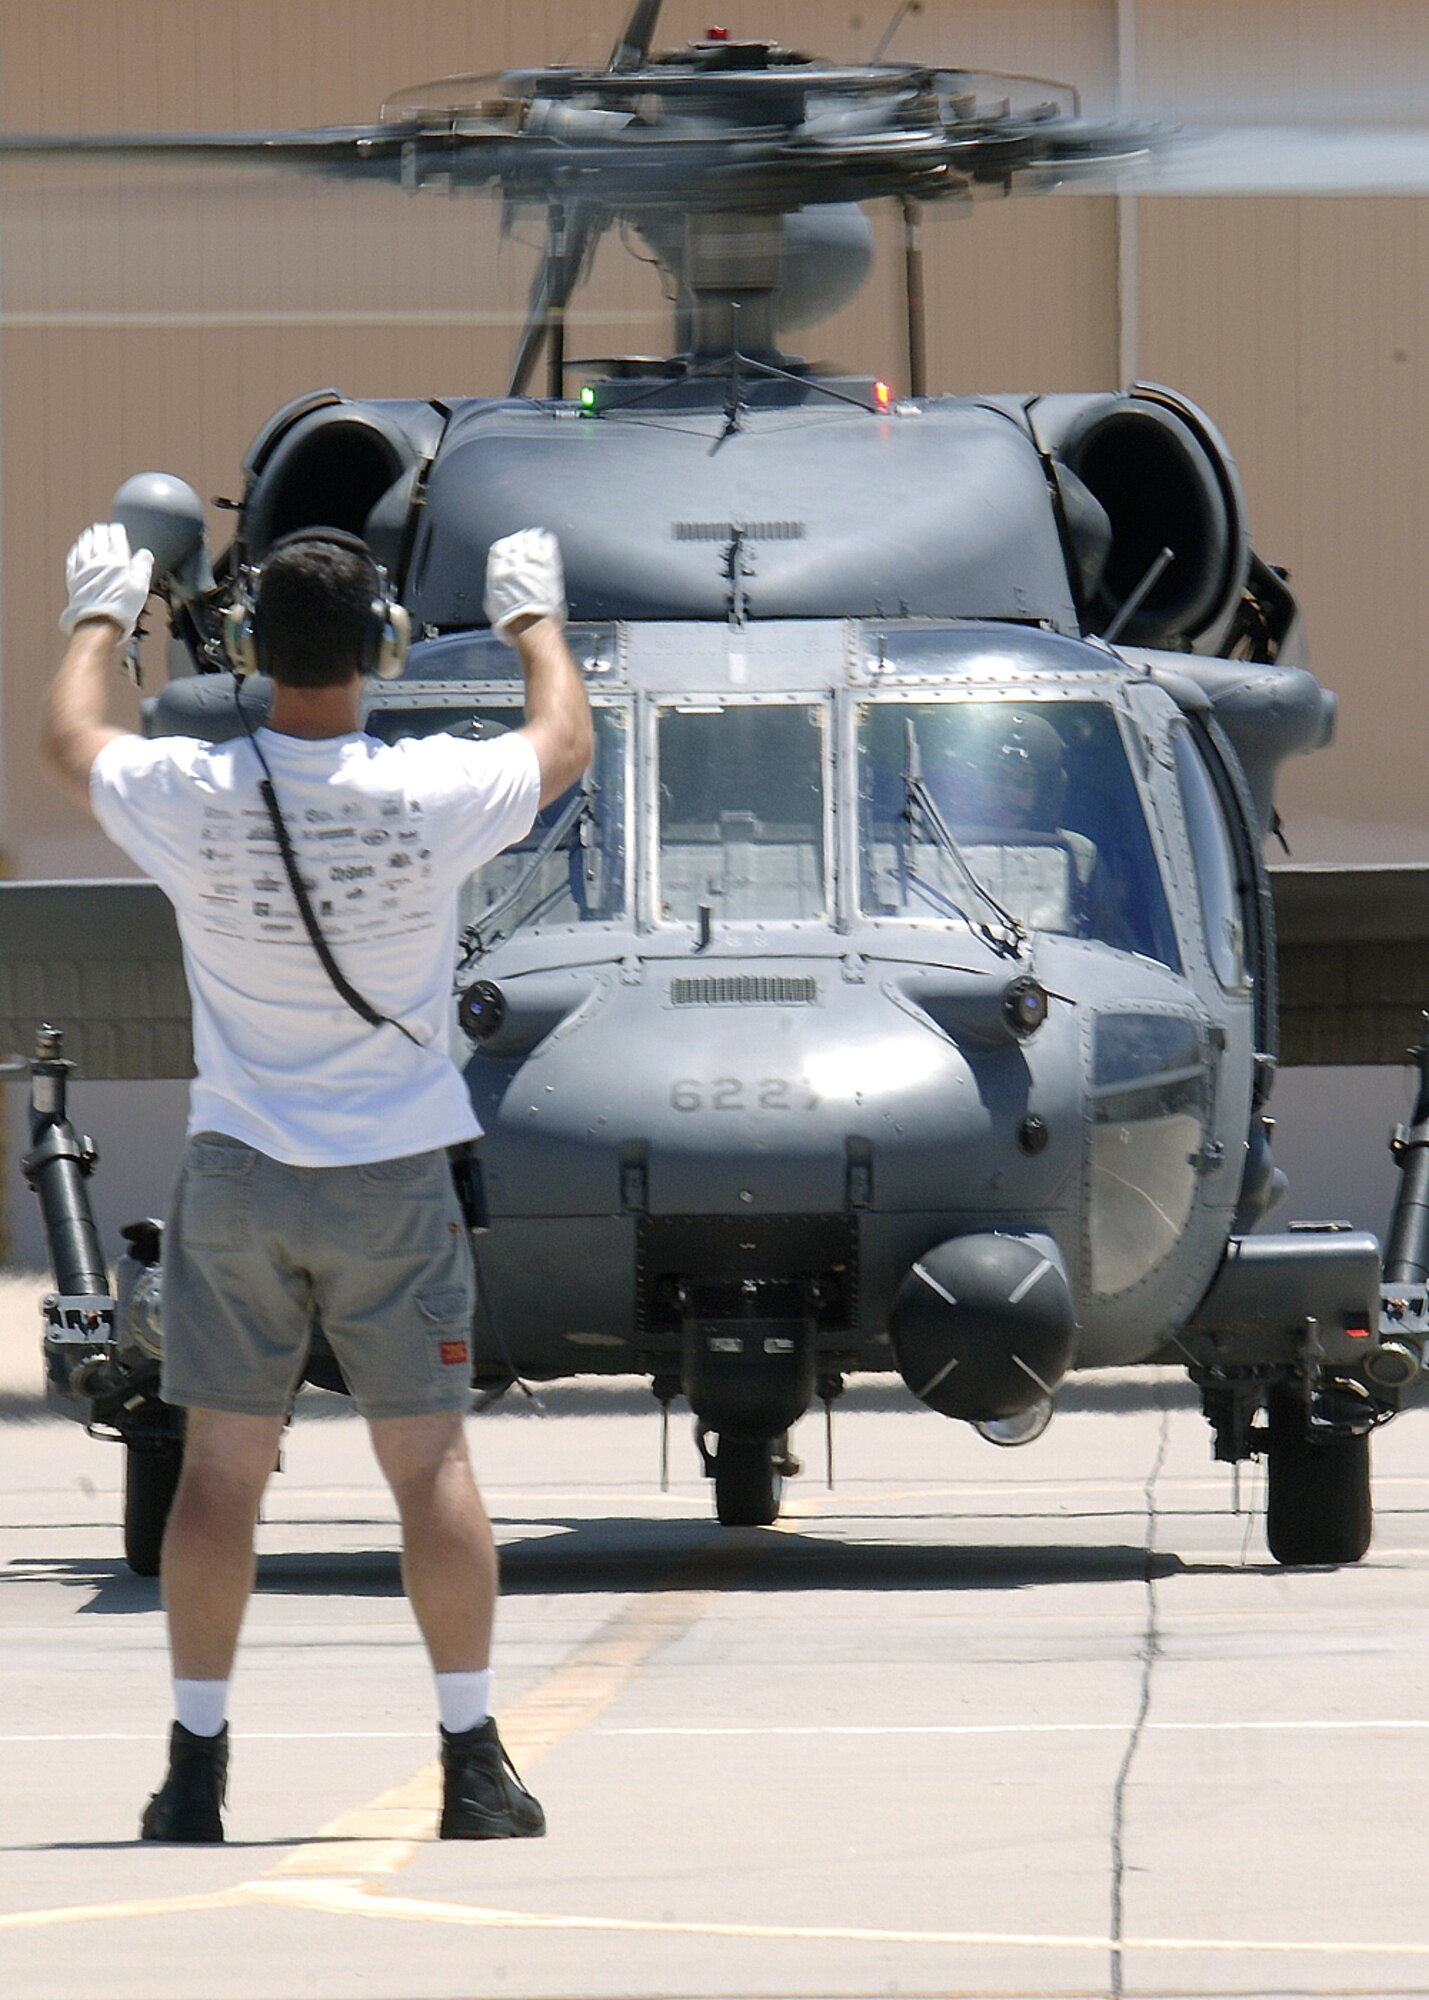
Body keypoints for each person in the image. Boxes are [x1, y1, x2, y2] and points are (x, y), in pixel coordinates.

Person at [41, 519, 592, 1844]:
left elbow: (66, 742)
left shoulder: (190, 797)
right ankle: (471, 1760)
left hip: (238, 1176)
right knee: (430, 1467)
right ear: (382, 644)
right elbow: (564, 744)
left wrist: (100, 617)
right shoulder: (430, 797)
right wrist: (531, 622)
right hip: (394, 1181)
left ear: (243, 648)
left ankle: (195, 1769)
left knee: (220, 1476)